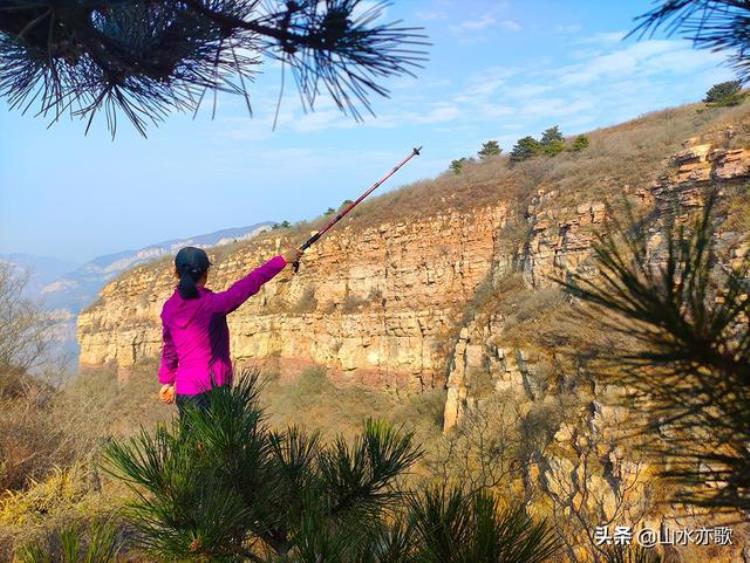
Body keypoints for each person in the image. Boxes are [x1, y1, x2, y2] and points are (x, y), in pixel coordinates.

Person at [157, 245, 303, 415]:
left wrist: (167, 381)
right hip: (215, 387)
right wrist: (282, 260)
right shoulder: (214, 305)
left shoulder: (169, 309)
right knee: (221, 441)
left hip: (186, 391)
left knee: (192, 440)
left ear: (176, 273)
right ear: (206, 274)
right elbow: (248, 284)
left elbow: (170, 349)